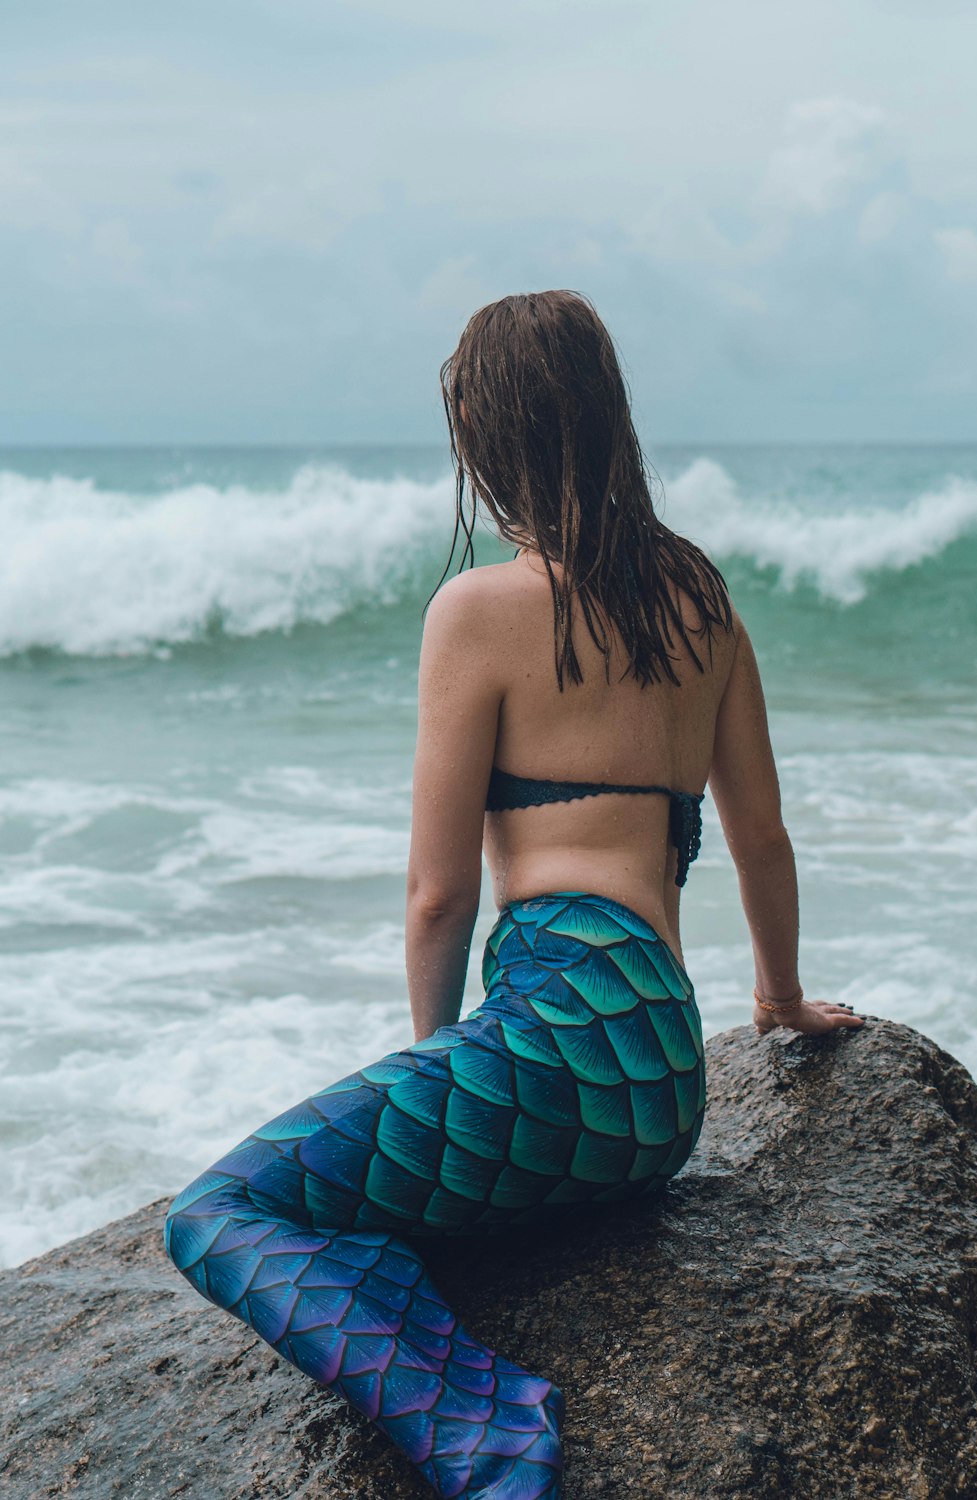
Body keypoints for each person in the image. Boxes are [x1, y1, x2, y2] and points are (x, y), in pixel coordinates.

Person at [163, 290, 864, 1500]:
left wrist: (442, 1070)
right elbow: (761, 836)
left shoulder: (477, 612)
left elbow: (440, 895)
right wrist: (782, 1001)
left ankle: (488, 1430)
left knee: (218, 1213)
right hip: (662, 1099)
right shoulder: (701, 599)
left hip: (552, 1042)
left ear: (488, 441)